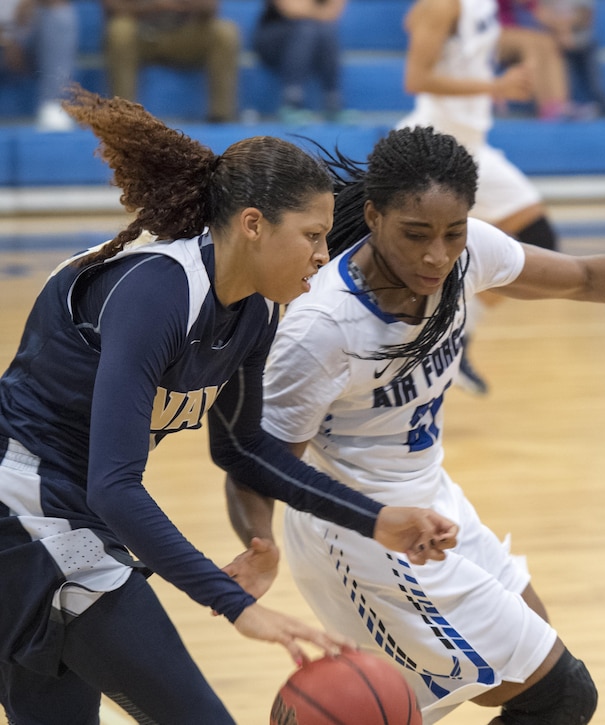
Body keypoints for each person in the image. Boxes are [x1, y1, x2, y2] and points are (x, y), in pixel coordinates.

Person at [222, 125, 605, 724]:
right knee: (556, 694)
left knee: (529, 657)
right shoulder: (323, 329)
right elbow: (258, 463)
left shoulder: (466, 257)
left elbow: (585, 277)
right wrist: (259, 544)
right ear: (372, 215)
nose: (435, 255)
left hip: (433, 501)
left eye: (453, 233)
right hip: (361, 533)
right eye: (416, 234)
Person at [0, 88, 458, 724]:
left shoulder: (253, 311)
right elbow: (114, 486)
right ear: (252, 225)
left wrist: (376, 520)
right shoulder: (156, 293)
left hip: (65, 518)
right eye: (312, 235)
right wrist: (236, 606)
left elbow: (242, 447)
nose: (323, 255)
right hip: (27, 515)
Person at [399, 0, 562, 395]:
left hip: (473, 146)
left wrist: (474, 76)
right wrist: (494, 86)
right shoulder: (443, 6)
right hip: (436, 148)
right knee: (406, 265)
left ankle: (454, 335)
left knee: (537, 237)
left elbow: (412, 22)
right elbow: (416, 79)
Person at [103, 0, 240, 123]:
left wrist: (178, 5)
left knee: (225, 32)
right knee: (119, 30)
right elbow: (112, 6)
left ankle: (220, 116)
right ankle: (123, 116)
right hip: (142, 31)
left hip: (186, 33)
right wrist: (151, 7)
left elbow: (210, 7)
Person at [253, 0, 349, 124]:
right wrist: (320, 13)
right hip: (273, 39)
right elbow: (290, 10)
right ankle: (292, 101)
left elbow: (333, 13)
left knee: (326, 31)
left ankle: (332, 102)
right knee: (307, 29)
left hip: (312, 38)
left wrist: (309, 11)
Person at [0, 0, 78, 131]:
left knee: (59, 14)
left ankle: (53, 104)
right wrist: (6, 40)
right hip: (5, 40)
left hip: (24, 34)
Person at [534, 0, 605, 118]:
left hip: (583, 40)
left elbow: (585, 15)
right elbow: (540, 14)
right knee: (565, 77)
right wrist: (561, 31)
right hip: (556, 41)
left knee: (596, 82)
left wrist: (564, 27)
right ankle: (564, 108)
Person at [496, 0, 573, 120]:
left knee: (548, 42)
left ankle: (559, 104)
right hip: (490, 32)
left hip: (512, 30)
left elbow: (537, 11)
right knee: (529, 42)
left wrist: (562, 29)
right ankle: (545, 105)